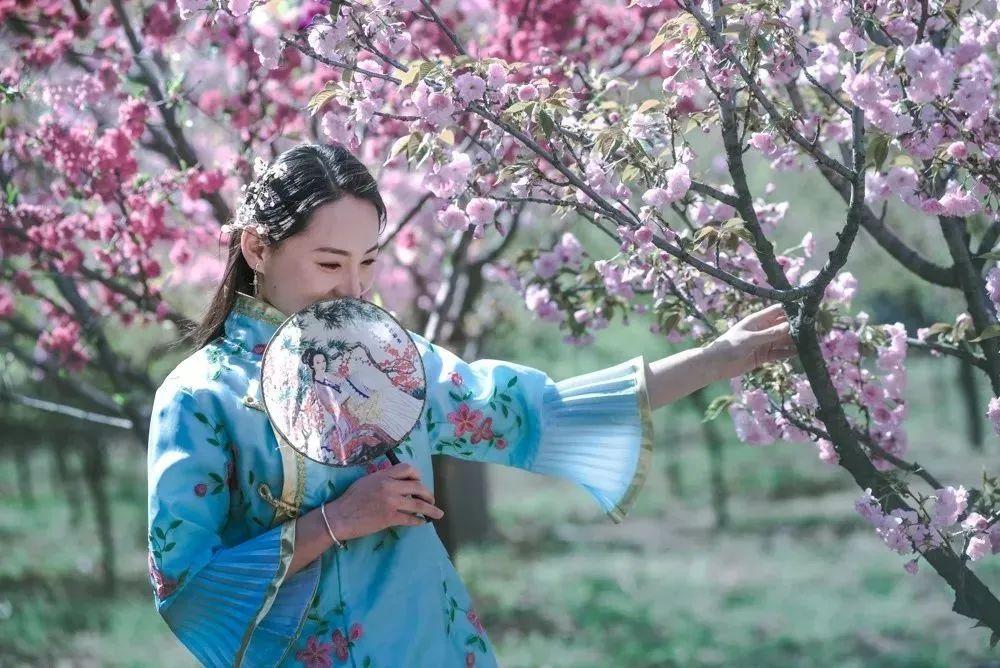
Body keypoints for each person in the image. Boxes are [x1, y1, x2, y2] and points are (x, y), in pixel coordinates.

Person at [146, 142, 795, 667]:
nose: (352, 287)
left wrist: (721, 357)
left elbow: (537, 411)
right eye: (328, 263)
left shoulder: (390, 361)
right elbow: (185, 588)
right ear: (258, 248)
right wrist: (337, 521)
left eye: (367, 262)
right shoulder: (199, 397)